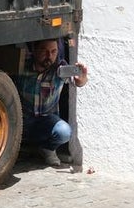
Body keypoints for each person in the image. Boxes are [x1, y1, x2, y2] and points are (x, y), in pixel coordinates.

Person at [16, 38, 88, 168]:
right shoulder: (22, 67)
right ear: (35, 50)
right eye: (45, 51)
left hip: (45, 122)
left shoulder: (59, 70)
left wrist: (82, 79)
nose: (49, 56)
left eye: (54, 51)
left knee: (64, 132)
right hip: (22, 121)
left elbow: (77, 81)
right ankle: (19, 148)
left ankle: (47, 149)